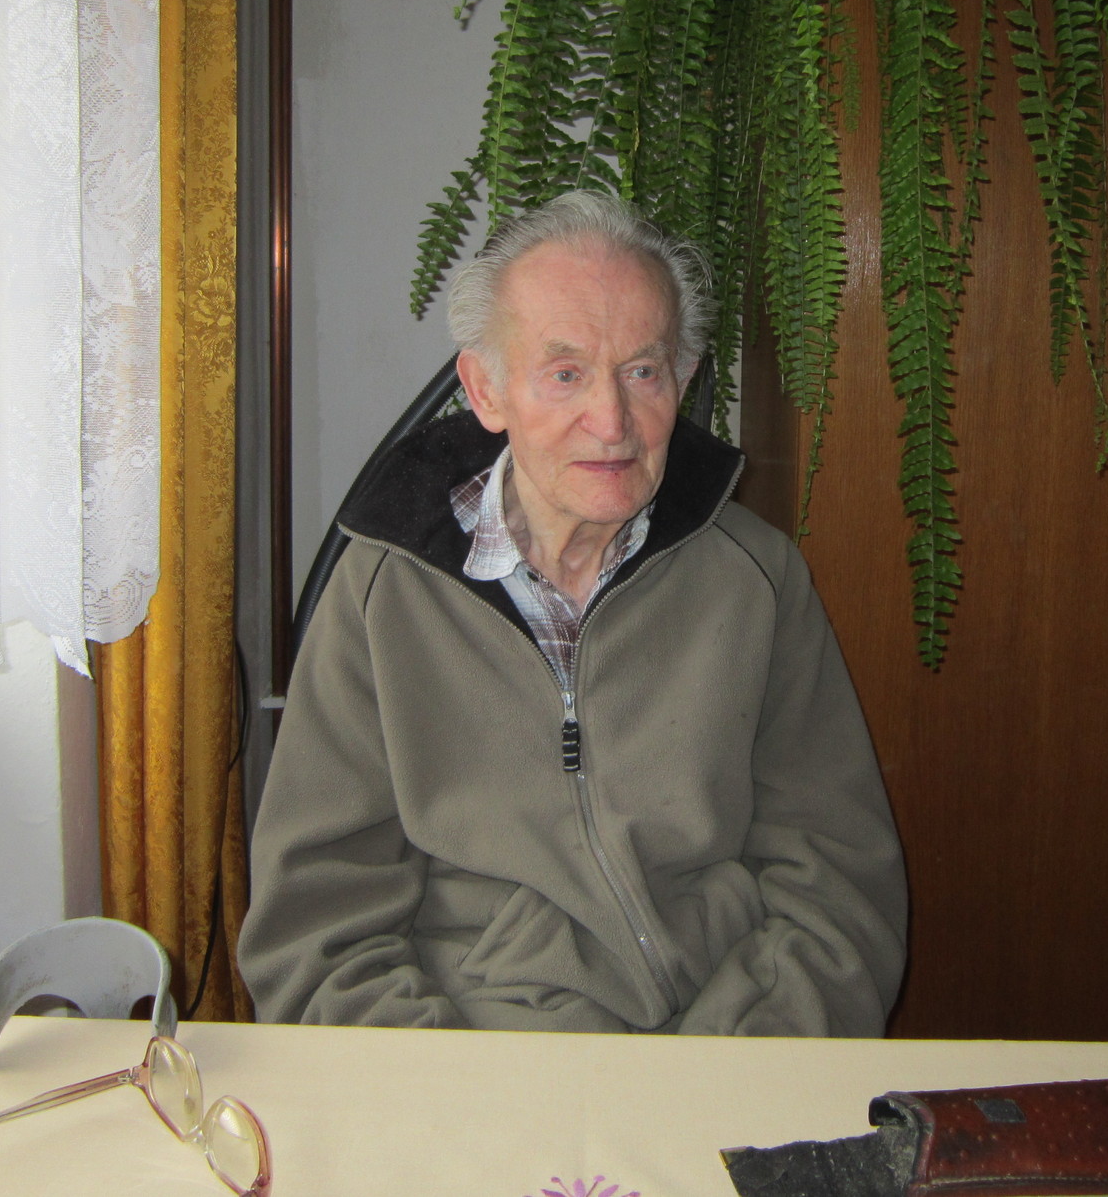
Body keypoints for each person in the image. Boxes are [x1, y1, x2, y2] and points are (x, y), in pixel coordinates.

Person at [238, 190, 906, 1034]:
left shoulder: (756, 580)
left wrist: (735, 1067)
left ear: (683, 380)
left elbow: (839, 888)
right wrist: (469, 1097)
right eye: (565, 374)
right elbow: (317, 939)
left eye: (642, 371)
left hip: (727, 1042)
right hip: (483, 1054)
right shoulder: (383, 598)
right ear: (486, 390)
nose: (612, 421)